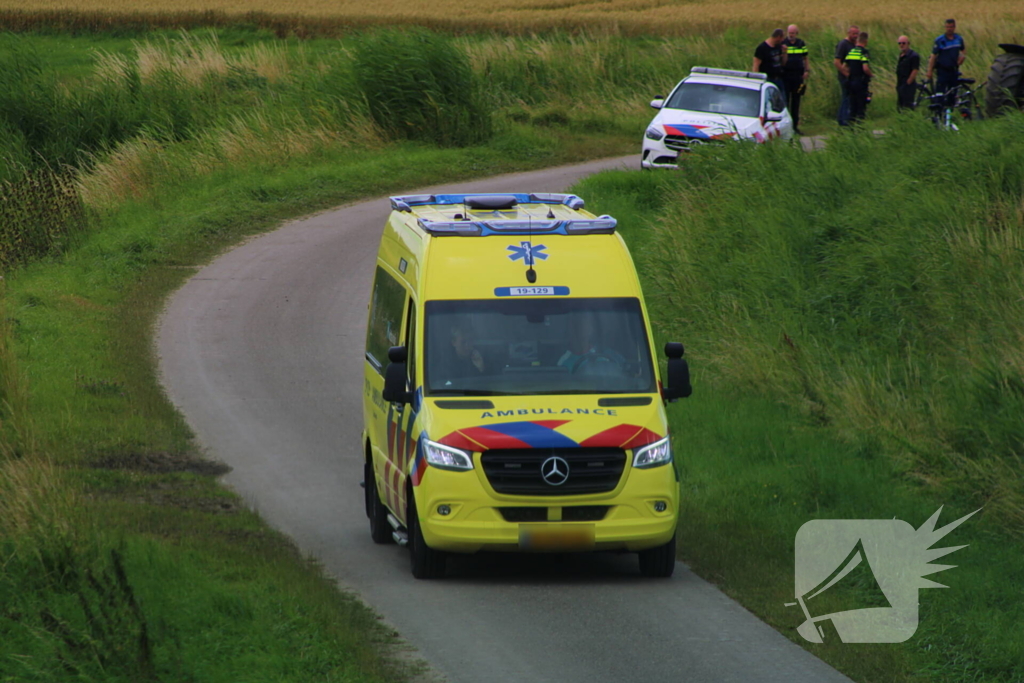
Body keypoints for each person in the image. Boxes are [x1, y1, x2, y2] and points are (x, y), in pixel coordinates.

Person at [782, 24, 810, 134]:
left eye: (793, 33)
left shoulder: (801, 43)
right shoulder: (783, 44)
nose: (791, 35)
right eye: (789, 32)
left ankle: (795, 126)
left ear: (797, 33)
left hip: (798, 76)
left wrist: (807, 71)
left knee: (796, 101)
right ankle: (786, 127)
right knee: (786, 101)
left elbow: (805, 58)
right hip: (786, 76)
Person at [926, 18, 966, 93]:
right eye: (947, 27)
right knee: (940, 91)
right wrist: (930, 70)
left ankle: (950, 104)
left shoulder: (958, 39)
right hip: (942, 70)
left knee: (952, 91)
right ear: (945, 27)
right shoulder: (939, 40)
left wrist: (962, 58)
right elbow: (933, 56)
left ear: (954, 27)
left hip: (953, 69)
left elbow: (963, 50)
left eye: (951, 27)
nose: (949, 29)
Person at [843, 32, 873, 123]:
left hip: (851, 82)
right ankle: (860, 128)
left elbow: (844, 67)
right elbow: (865, 68)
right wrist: (871, 75)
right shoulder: (864, 52)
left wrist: (850, 74)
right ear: (865, 41)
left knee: (852, 106)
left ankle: (851, 128)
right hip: (860, 82)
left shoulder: (851, 51)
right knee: (861, 106)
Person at [834, 24, 860, 126]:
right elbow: (836, 62)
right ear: (848, 33)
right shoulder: (843, 44)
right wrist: (845, 74)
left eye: (857, 34)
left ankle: (843, 119)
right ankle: (844, 121)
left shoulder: (854, 45)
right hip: (845, 78)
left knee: (848, 98)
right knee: (846, 98)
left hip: (853, 77)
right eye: (853, 33)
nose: (855, 36)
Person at [753, 28, 788, 96]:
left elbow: (783, 63)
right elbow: (756, 66)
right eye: (782, 38)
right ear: (778, 37)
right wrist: (757, 81)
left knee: (781, 102)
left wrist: (785, 52)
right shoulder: (762, 48)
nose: (783, 40)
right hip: (768, 80)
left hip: (779, 79)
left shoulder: (779, 46)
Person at [896, 36, 921, 110]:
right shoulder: (901, 55)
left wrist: (908, 82)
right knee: (900, 105)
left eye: (903, 43)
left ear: (908, 43)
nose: (901, 45)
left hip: (908, 84)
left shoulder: (913, 56)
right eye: (899, 43)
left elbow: (915, 70)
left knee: (908, 106)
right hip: (900, 82)